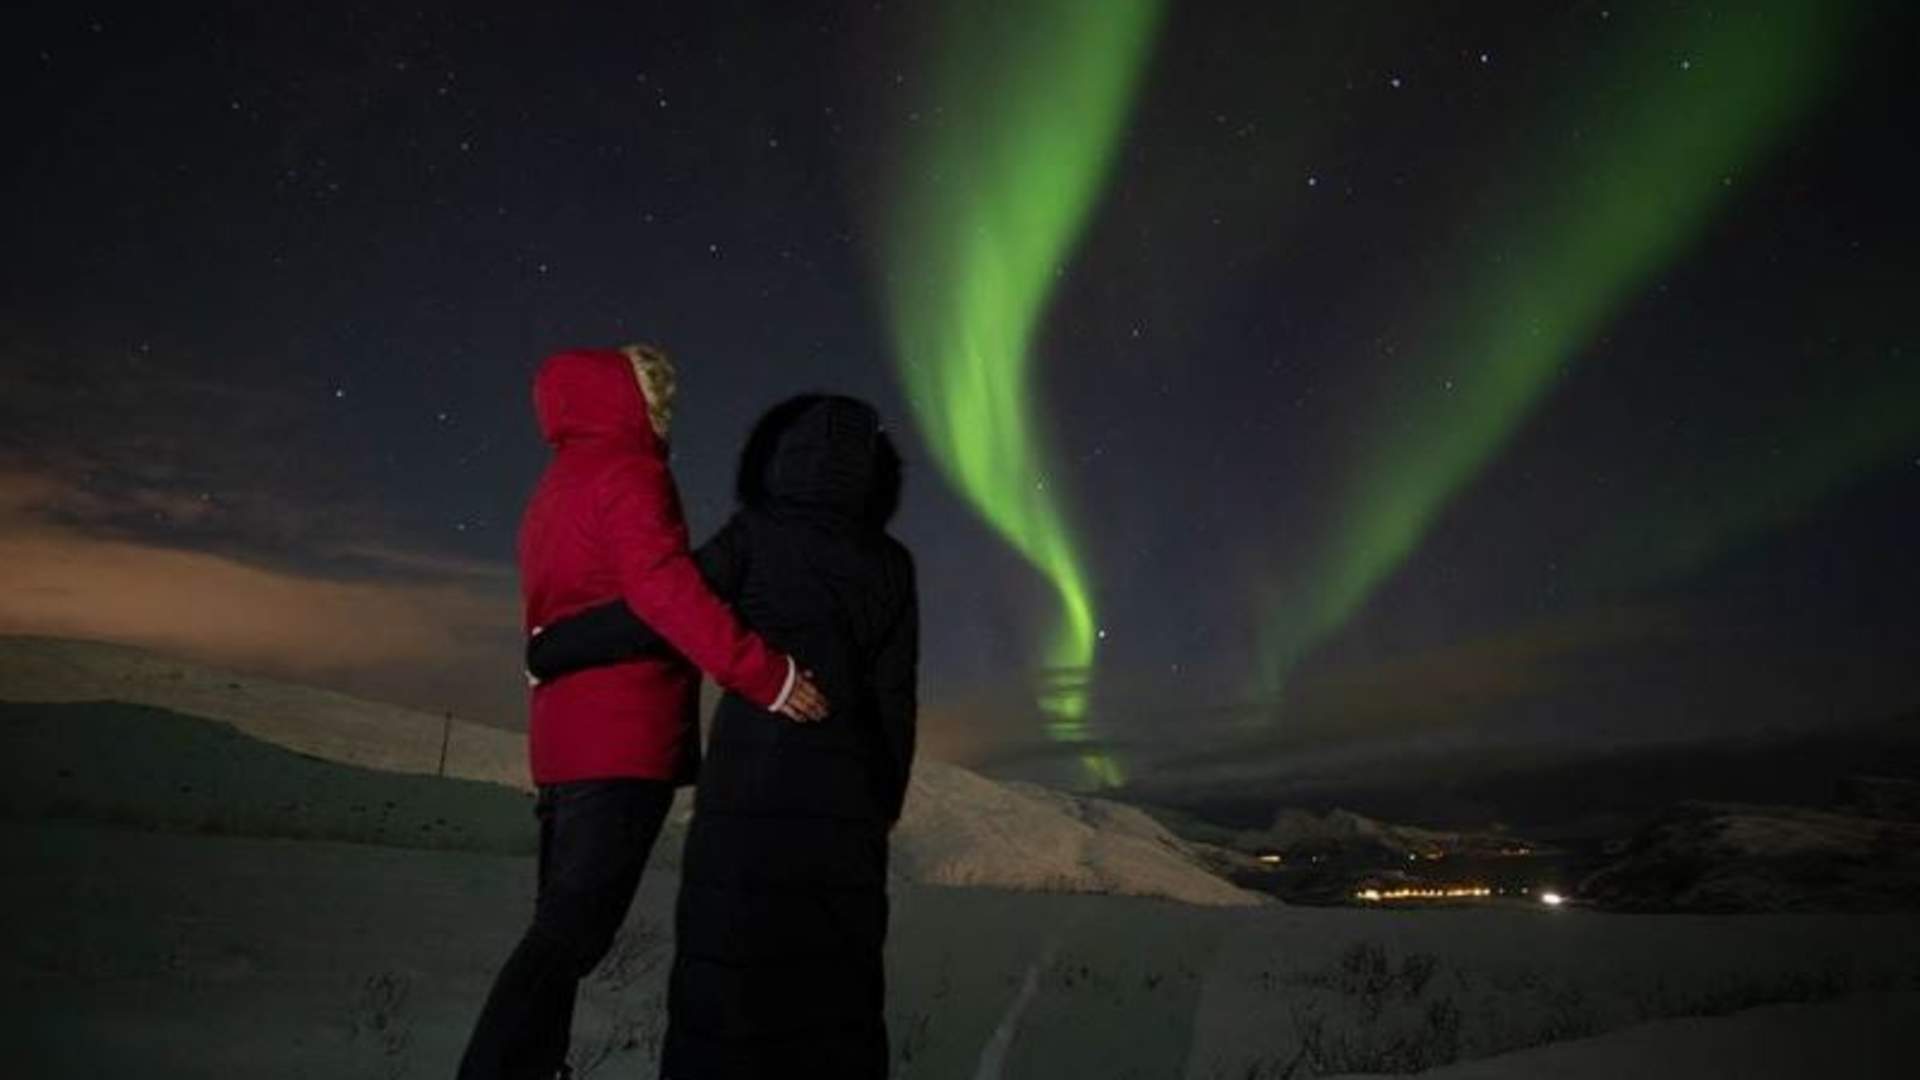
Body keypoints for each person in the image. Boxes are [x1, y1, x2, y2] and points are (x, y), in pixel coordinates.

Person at [458, 346, 829, 1080]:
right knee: (570, 935)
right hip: (622, 738)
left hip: (563, 741)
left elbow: (566, 609)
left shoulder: (555, 489)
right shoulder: (632, 474)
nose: (666, 409)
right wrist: (769, 676)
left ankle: (534, 1066)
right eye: (655, 393)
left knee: (558, 932)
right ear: (625, 399)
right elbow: (665, 596)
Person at [528, 394, 917, 1079]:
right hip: (847, 800)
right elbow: (894, 699)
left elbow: (663, 610)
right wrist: (882, 800)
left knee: (726, 969)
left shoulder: (755, 534)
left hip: (748, 787)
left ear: (781, 461)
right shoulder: (891, 564)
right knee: (836, 984)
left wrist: (557, 646)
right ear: (869, 473)